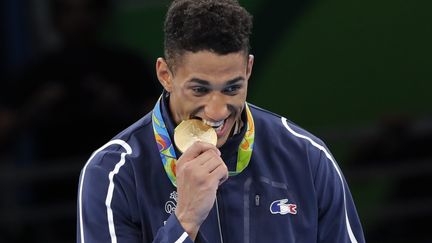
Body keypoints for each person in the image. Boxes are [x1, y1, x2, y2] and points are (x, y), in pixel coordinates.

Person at [77, 0, 365, 242]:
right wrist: (185, 219)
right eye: (200, 89)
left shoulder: (307, 157)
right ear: (165, 75)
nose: (216, 111)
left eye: (232, 88)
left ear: (248, 69)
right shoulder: (112, 173)